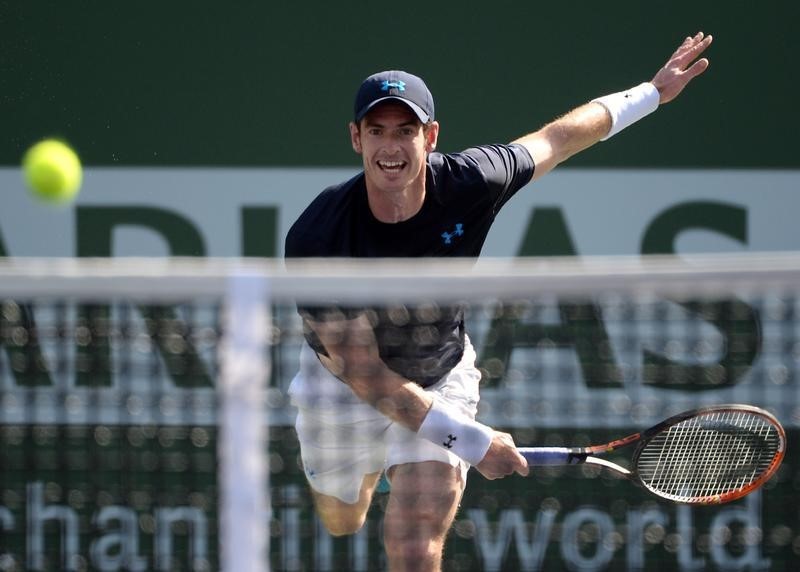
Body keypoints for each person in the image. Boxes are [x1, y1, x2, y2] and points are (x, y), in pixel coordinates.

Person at [284, 31, 713, 571]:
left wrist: (651, 93)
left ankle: (402, 463)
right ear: (356, 138)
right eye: (377, 131)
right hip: (343, 391)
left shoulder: (472, 182)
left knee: (414, 549)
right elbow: (365, 376)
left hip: (438, 374)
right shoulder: (319, 237)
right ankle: (369, 469)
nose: (390, 147)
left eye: (406, 131)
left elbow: (557, 139)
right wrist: (470, 440)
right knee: (342, 522)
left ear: (431, 136)